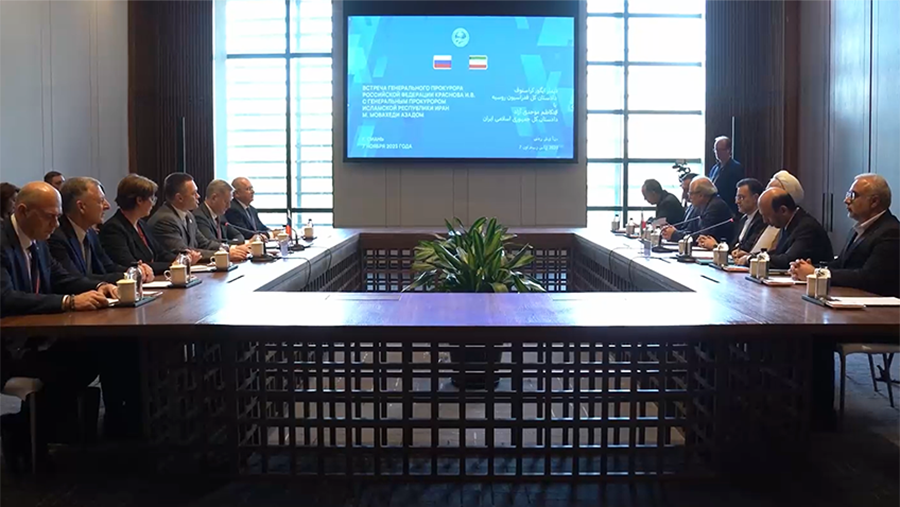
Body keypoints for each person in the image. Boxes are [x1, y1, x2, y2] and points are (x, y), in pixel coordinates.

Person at [0, 182, 118, 471]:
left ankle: (27, 430)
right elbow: (6, 297)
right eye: (50, 217)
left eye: (57, 217)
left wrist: (99, 286)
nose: (56, 224)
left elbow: (62, 277)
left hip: (34, 338)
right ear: (22, 211)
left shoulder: (38, 240)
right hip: (7, 346)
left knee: (96, 354)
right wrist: (68, 302)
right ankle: (25, 433)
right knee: (72, 365)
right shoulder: (2, 242)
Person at [791, 174, 900, 296]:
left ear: (874, 202)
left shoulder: (891, 232)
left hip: (877, 305)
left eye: (853, 195)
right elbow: (840, 264)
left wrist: (817, 273)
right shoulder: (857, 229)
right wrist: (806, 268)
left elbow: (869, 277)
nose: (846, 200)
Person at [49, 177, 154, 283]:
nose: (107, 206)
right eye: (101, 201)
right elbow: (75, 279)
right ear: (81, 207)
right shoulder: (56, 237)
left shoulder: (90, 233)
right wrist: (130, 276)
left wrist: (136, 270)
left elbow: (108, 267)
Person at [100, 174, 176, 275]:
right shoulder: (113, 229)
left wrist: (179, 259)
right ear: (139, 200)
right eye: (152, 199)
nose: (153, 204)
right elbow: (130, 264)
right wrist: (172, 266)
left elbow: (160, 253)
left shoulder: (142, 224)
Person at [755, 188, 832, 269]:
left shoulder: (807, 228)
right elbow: (779, 253)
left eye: (767, 216)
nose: (764, 221)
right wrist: (753, 256)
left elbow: (789, 260)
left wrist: (752, 259)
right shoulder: (787, 223)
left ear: (783, 210)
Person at [148, 173, 216, 264]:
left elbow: (204, 243)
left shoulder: (189, 215)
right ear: (179, 198)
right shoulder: (165, 220)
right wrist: (220, 255)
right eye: (194, 193)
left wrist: (227, 249)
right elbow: (183, 252)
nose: (198, 196)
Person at [698, 178, 766, 253]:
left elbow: (746, 249)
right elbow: (734, 246)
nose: (737, 202)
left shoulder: (761, 220)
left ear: (755, 198)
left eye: (741, 197)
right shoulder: (743, 219)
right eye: (737, 197)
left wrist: (716, 246)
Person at [661, 176, 733, 244]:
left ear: (701, 195)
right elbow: (689, 230)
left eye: (691, 193)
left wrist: (675, 234)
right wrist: (673, 231)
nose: (689, 196)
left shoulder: (715, 206)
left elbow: (702, 236)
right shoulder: (699, 205)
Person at [193, 180, 251, 259]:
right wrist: (232, 247)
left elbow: (238, 235)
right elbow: (210, 243)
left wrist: (232, 245)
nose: (229, 206)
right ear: (214, 198)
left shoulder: (220, 215)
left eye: (230, 202)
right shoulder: (199, 216)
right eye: (226, 202)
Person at [708, 137, 744, 215]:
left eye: (720, 150)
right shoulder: (714, 168)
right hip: (714, 208)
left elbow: (734, 191)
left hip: (728, 208)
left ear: (728, 150)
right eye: (715, 150)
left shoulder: (735, 167)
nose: (717, 153)